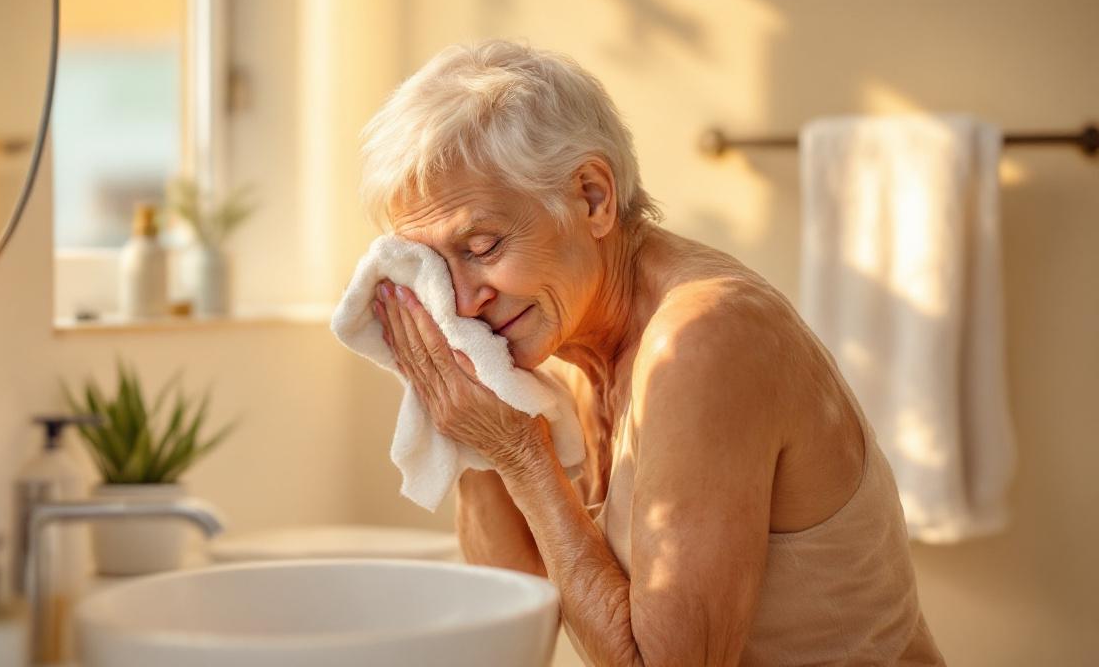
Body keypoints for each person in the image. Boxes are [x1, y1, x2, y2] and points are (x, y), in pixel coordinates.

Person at [362, 40, 945, 666]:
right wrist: (462, 410)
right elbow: (519, 611)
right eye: (433, 269)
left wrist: (521, 456)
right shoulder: (553, 343)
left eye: (481, 246)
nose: (463, 302)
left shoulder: (703, 339)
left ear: (592, 196)